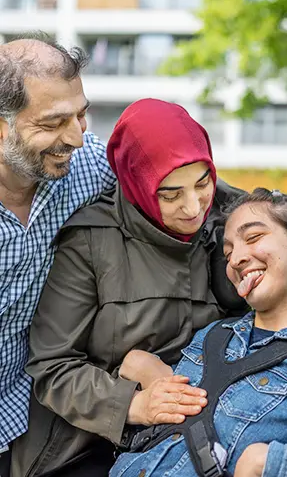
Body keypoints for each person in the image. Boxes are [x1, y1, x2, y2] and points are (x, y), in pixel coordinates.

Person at [11, 99, 244, 477]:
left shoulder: (227, 220)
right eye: (169, 194)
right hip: (88, 443)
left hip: (201, 422)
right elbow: (52, 367)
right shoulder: (90, 240)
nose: (192, 207)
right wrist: (135, 405)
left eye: (203, 183)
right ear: (137, 182)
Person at [110, 188, 287, 477]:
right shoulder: (214, 336)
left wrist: (268, 465)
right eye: (229, 252)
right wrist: (141, 369)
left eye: (254, 237)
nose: (235, 260)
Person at [0, 33, 116, 475]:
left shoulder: (90, 167)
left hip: (31, 418)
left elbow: (169, 174)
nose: (76, 137)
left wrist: (278, 223)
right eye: (52, 123)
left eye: (81, 115)